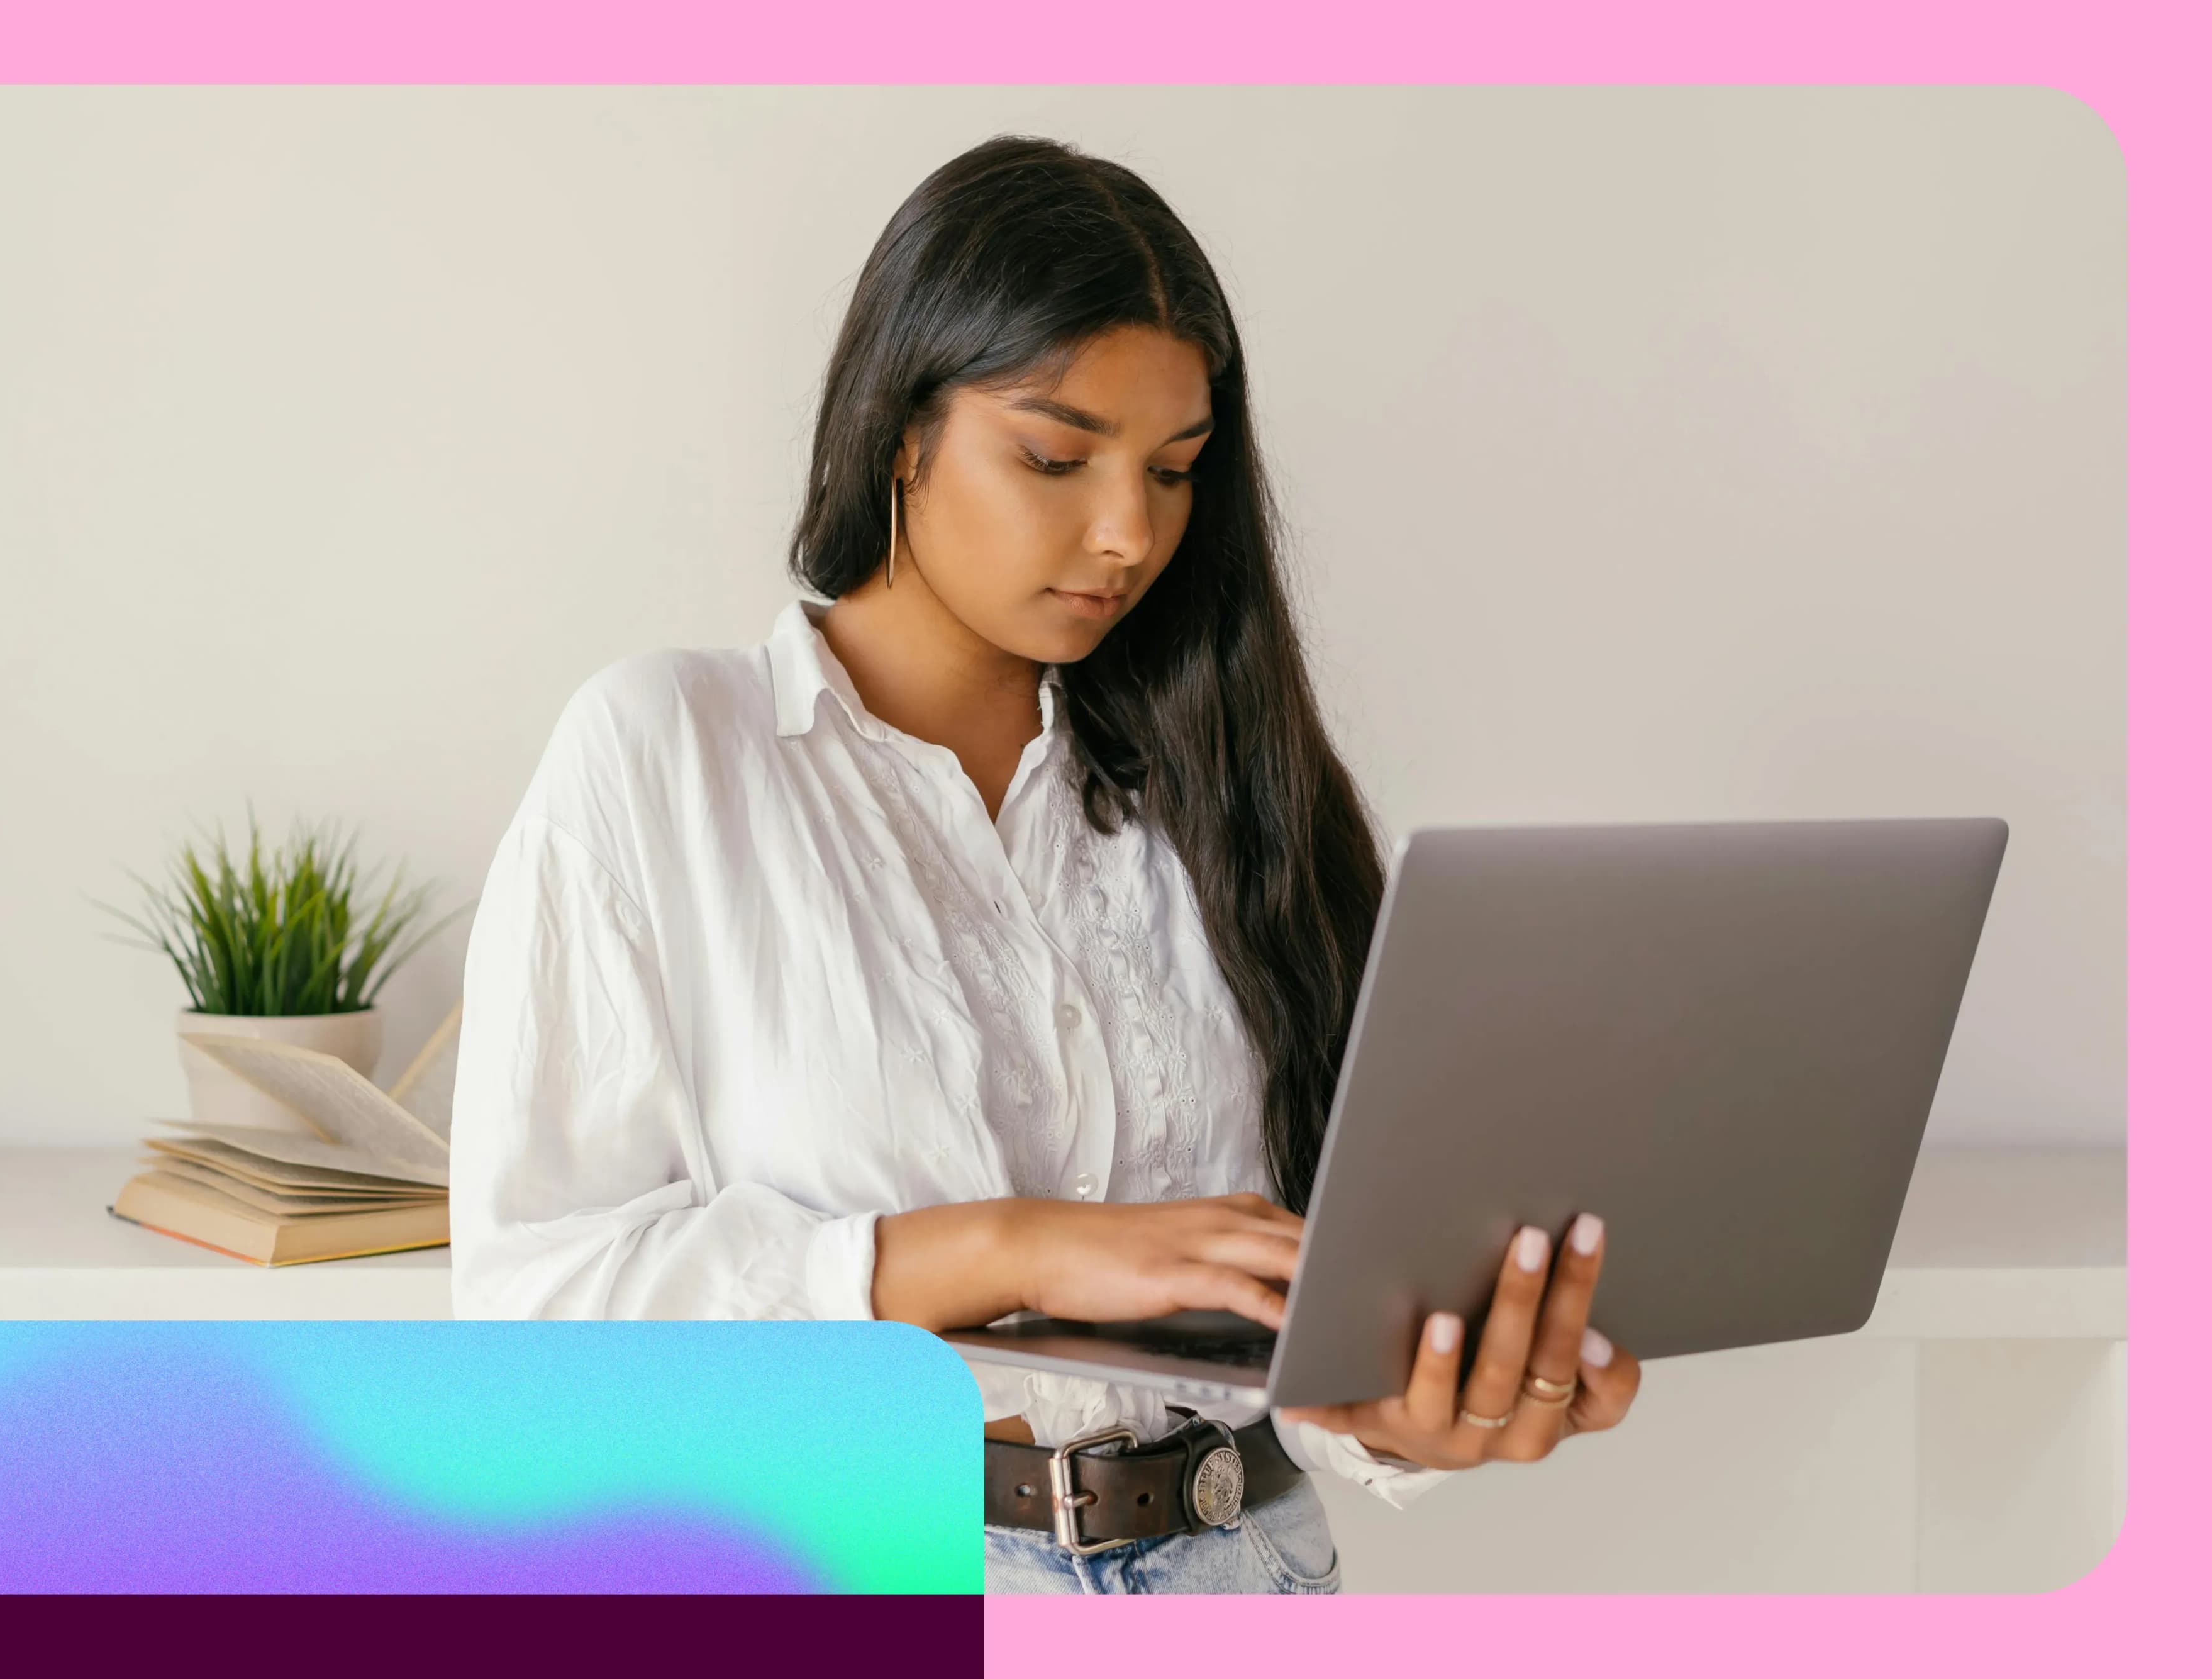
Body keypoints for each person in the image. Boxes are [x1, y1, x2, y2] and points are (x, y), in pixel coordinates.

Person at [449, 132, 1643, 1595]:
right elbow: (533, 1317)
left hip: (1247, 1567)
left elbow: (1311, 1294)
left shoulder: (1230, 786)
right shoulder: (665, 755)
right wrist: (1014, 1250)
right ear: (901, 427)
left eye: (1176, 469)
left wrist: (1412, 1412)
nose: (1129, 531)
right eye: (1056, 456)